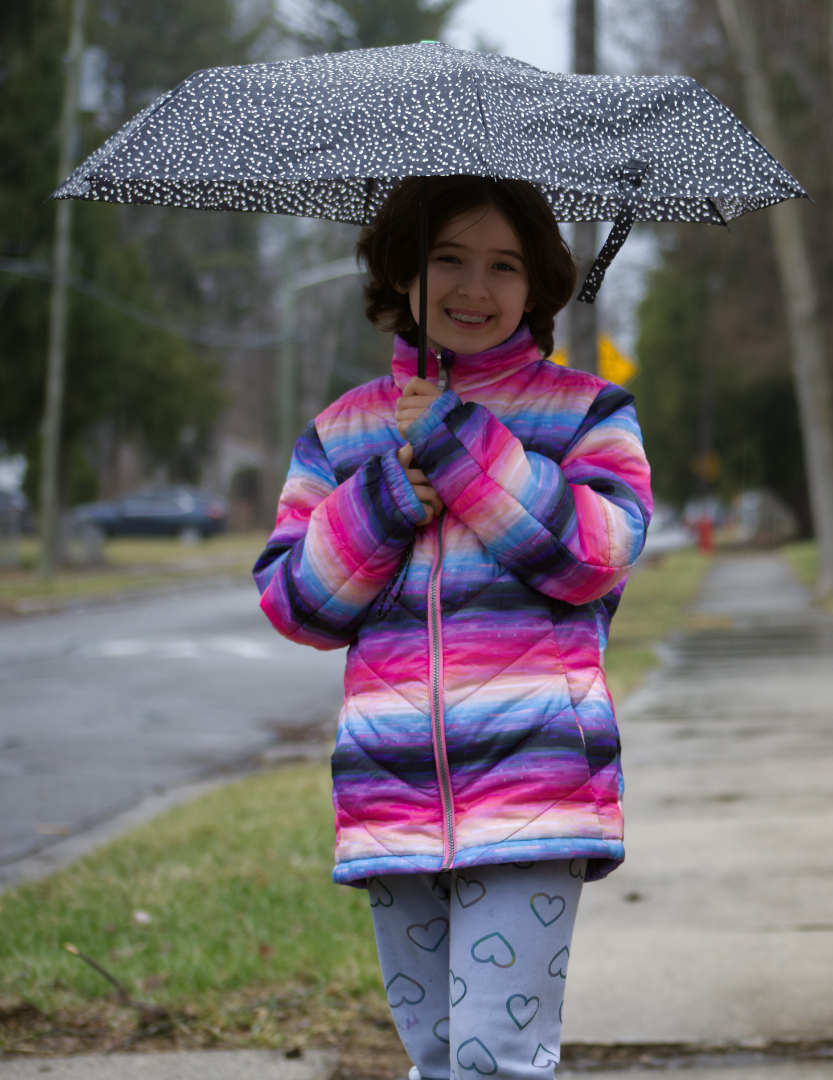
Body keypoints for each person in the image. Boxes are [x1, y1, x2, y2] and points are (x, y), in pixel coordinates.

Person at [254, 174, 651, 1080]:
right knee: (436, 1053)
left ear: (538, 281)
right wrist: (388, 495)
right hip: (392, 792)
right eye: (449, 259)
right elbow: (297, 605)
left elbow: (594, 555)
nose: (476, 288)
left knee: (496, 1056)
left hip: (535, 787)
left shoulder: (588, 415)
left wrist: (458, 441)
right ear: (402, 272)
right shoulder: (342, 434)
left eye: (504, 265)